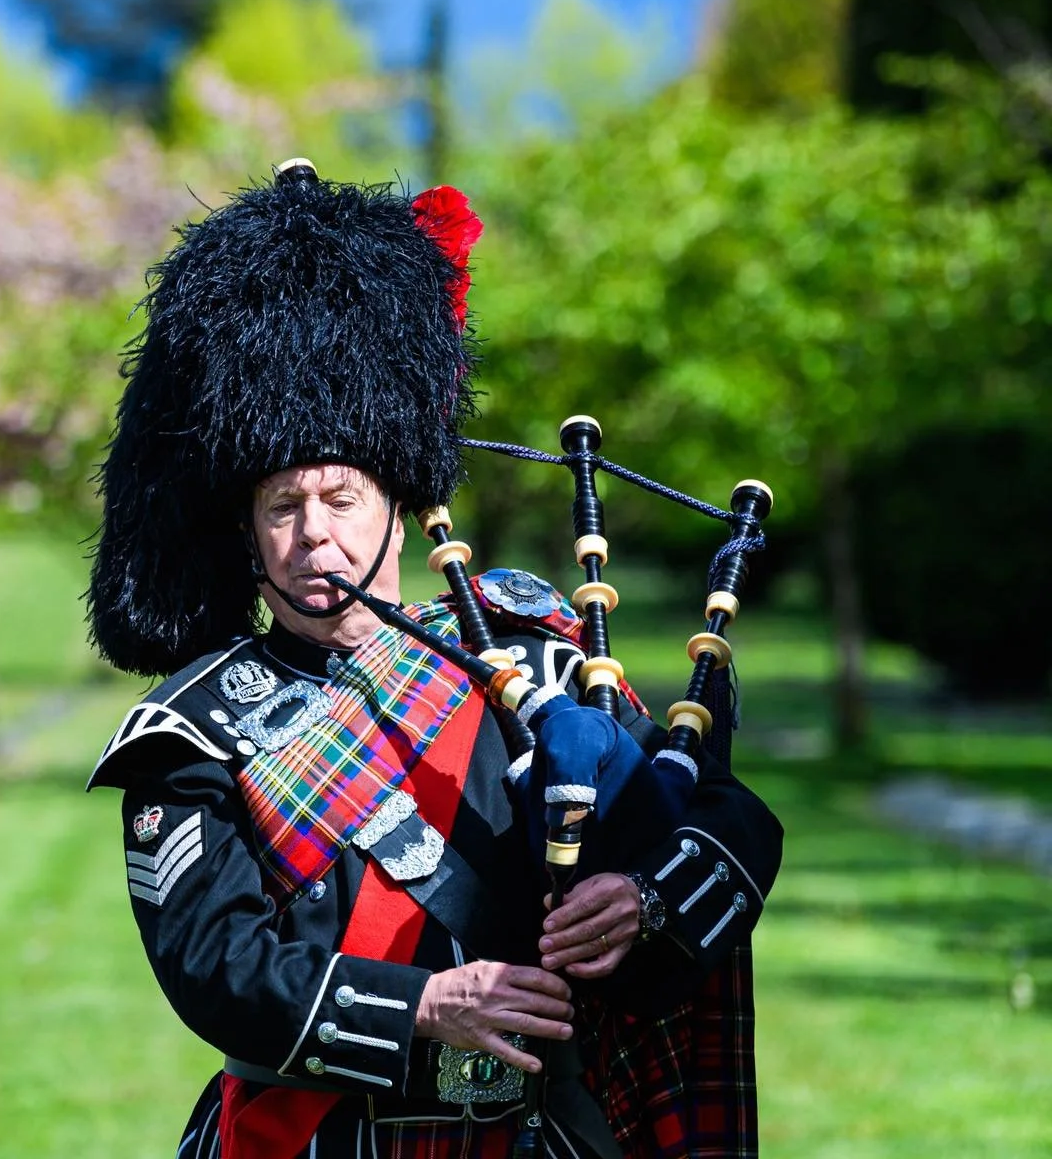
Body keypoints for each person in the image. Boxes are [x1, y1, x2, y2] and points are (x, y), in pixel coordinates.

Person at [87, 161, 782, 1158]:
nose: (313, 537)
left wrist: (644, 899)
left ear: (402, 510)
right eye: (283, 508)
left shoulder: (527, 658)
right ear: (248, 534)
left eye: (340, 501)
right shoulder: (193, 736)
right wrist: (420, 1006)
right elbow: (211, 962)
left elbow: (728, 816)